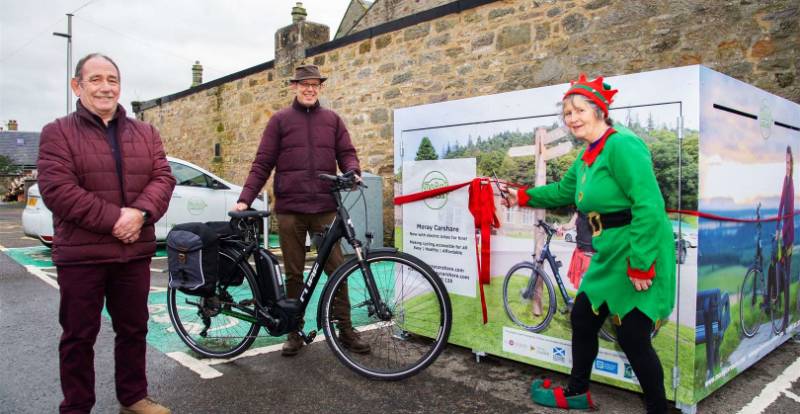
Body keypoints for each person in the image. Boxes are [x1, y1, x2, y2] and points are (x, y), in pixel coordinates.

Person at [503, 74, 675, 413]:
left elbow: (649, 206)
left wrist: (641, 262)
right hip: (608, 251)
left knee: (633, 336)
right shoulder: (587, 156)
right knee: (582, 318)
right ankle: (578, 392)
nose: (572, 118)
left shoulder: (621, 144)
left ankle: (658, 409)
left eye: (579, 110)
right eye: (567, 113)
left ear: (599, 110)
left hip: (636, 248)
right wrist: (522, 195)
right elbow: (564, 193)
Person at [37, 53, 175, 414]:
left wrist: (142, 213)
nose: (105, 86)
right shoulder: (58, 132)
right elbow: (58, 190)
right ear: (77, 86)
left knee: (134, 330)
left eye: (111, 79)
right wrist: (118, 220)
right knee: (79, 337)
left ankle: (133, 397)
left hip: (133, 255)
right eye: (95, 79)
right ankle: (77, 406)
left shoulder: (145, 133)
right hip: (82, 256)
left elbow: (163, 178)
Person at [234, 64, 370, 356]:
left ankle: (345, 329)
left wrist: (352, 171)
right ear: (294, 87)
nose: (310, 89)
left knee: (338, 271)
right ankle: (293, 330)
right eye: (304, 84)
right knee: (294, 274)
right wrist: (245, 198)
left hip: (325, 208)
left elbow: (347, 153)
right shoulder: (280, 121)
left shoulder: (332, 120)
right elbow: (262, 162)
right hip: (290, 210)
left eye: (315, 85)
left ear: (320, 88)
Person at [776, 146, 795, 320]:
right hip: (783, 232)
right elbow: (781, 205)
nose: (787, 165)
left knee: (787, 275)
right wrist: (776, 227)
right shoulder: (785, 179)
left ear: (792, 163)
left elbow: (789, 214)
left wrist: (782, 231)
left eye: (789, 162)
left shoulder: (792, 184)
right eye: (785, 162)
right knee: (779, 268)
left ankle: (787, 318)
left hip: (789, 236)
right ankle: (781, 311)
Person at [561, 211, 595, 290]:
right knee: (582, 284)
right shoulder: (579, 210)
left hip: (591, 253)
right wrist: (561, 227)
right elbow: (570, 225)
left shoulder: (597, 206)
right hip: (580, 251)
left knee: (589, 285)